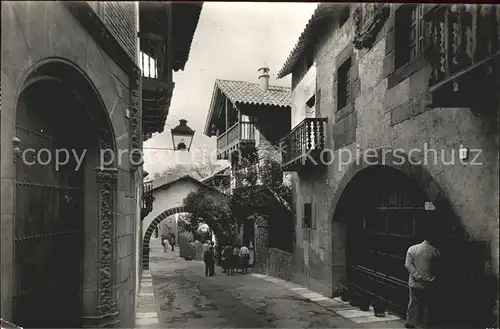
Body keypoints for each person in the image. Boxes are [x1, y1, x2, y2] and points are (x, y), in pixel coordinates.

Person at [404, 227, 441, 328]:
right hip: (428, 283)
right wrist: (432, 279)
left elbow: (408, 265)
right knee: (426, 305)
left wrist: (417, 276)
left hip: (414, 282)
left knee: (413, 303)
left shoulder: (412, 248)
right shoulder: (435, 251)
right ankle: (423, 325)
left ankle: (411, 323)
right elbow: (438, 269)